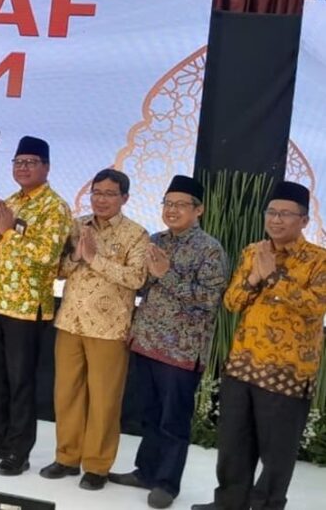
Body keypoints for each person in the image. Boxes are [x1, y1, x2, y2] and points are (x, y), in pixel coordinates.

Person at [193, 182, 326, 510]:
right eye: (272, 212)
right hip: (242, 365)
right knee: (233, 445)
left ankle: (267, 505)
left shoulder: (318, 260)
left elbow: (316, 306)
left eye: (285, 214)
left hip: (287, 373)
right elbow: (232, 302)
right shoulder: (254, 252)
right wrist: (255, 277)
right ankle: (229, 504)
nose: (276, 220)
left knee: (277, 453)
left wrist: (274, 279)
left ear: (304, 220)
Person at [104, 175, 227, 509]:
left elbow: (208, 299)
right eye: (167, 204)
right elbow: (144, 288)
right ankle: (145, 471)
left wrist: (166, 275)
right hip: (146, 342)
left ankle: (167, 484)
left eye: (180, 205)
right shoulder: (156, 239)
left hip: (182, 351)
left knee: (173, 420)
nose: (172, 210)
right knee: (149, 414)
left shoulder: (210, 249)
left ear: (198, 209)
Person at [0, 136, 73, 475]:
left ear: (46, 167)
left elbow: (47, 257)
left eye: (30, 162)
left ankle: (19, 451)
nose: (22, 168)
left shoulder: (54, 207)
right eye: (18, 162)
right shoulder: (12, 201)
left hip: (27, 309)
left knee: (21, 381)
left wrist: (10, 232)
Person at [42, 168, 148, 490]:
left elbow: (137, 279)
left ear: (125, 198)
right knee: (66, 394)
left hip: (110, 328)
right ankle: (66, 458)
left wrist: (96, 258)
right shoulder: (78, 226)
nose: (101, 199)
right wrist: (78, 255)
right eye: (96, 193)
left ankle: (97, 467)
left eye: (109, 194)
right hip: (71, 322)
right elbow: (58, 270)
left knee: (104, 400)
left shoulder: (136, 234)